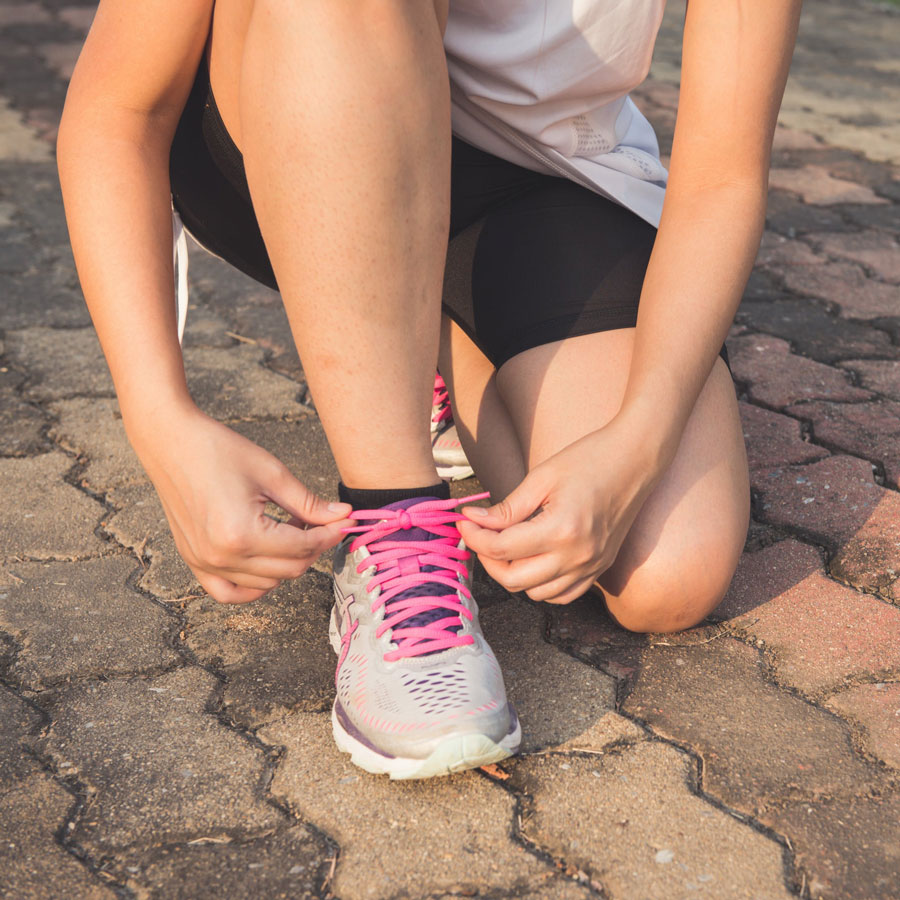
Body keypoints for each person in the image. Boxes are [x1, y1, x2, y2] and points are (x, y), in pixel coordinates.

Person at [57, 0, 801, 778]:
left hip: (540, 175)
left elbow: (722, 175)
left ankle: (413, 340)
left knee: (665, 572)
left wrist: (639, 441)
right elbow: (117, 110)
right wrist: (160, 418)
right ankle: (395, 523)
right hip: (294, 102)